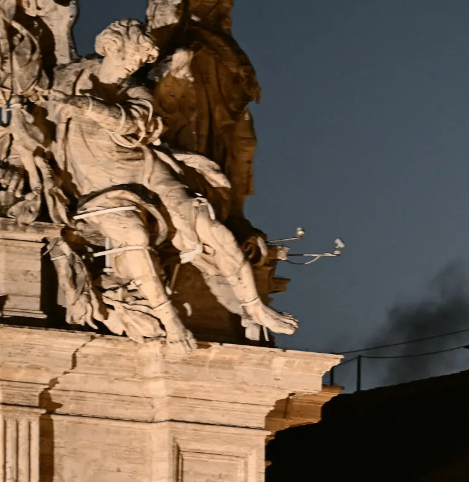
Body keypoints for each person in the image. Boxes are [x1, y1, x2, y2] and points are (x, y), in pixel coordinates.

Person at [42, 19, 296, 350]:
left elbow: (134, 122)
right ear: (109, 48)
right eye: (129, 59)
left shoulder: (137, 91)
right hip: (98, 188)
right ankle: (171, 322)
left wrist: (84, 105)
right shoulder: (69, 77)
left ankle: (254, 306)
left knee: (210, 226)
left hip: (145, 172)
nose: (132, 68)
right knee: (133, 235)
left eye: (138, 63)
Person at [146, 0, 259, 223]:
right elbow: (157, 14)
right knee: (196, 124)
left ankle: (227, 207)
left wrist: (241, 64)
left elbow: (225, 25)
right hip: (192, 51)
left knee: (231, 133)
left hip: (220, 59)